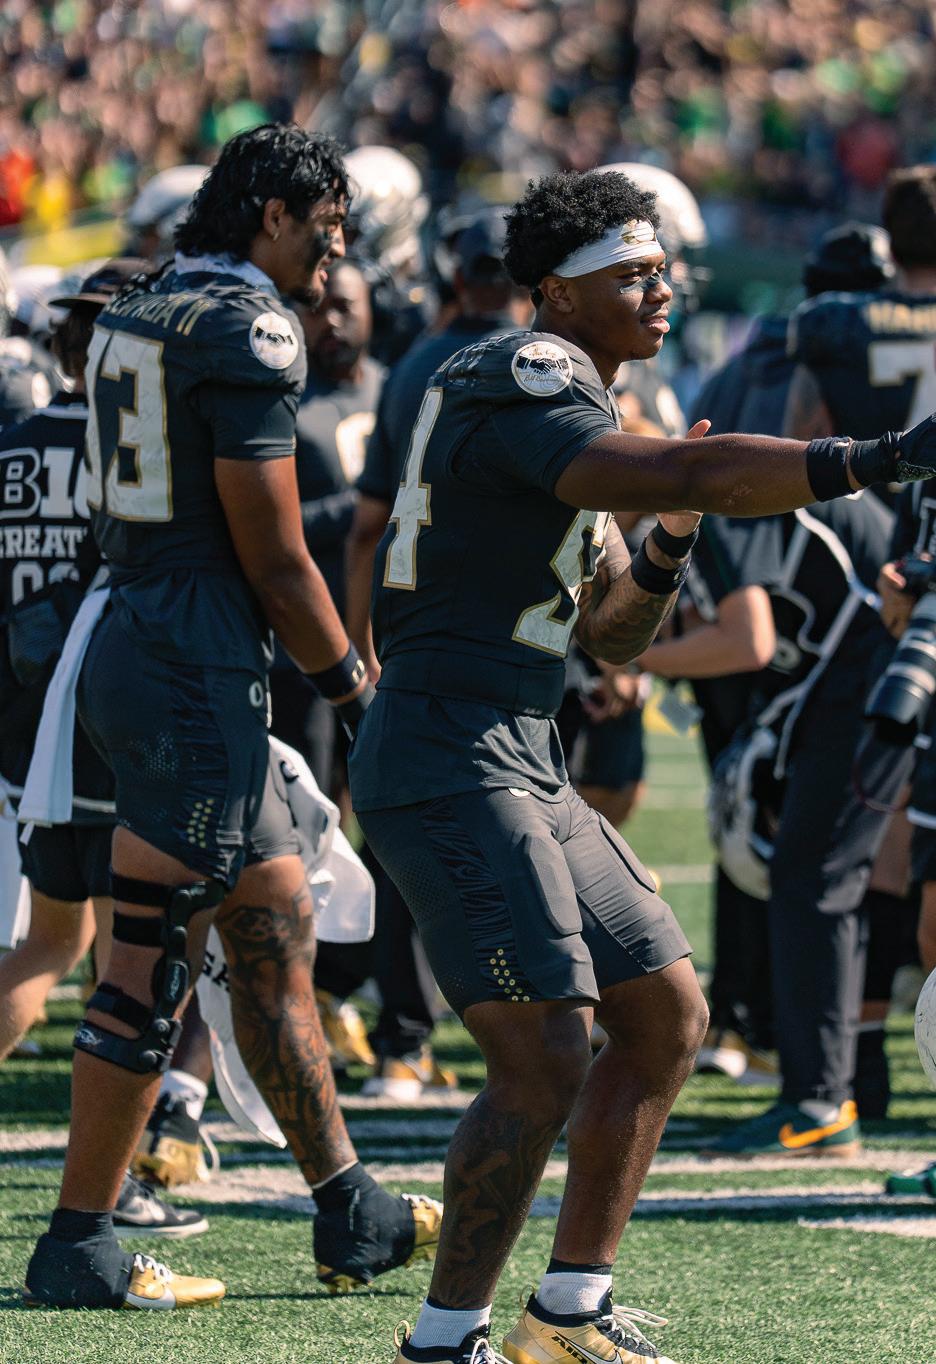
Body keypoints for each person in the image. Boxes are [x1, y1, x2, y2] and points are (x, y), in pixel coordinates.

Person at [346, 168, 936, 1364]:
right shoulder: (526, 370)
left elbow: (614, 630)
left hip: (519, 745)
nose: (663, 291)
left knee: (664, 1013)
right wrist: (884, 455)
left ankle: (568, 1311)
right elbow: (689, 469)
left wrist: (668, 540)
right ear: (560, 291)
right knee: (543, 1055)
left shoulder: (582, 397)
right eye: (636, 274)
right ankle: (442, 1341)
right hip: (448, 740)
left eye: (665, 271)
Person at [23, 124, 442, 1313]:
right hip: (190, 655)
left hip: (139, 628)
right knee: (147, 956)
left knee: (271, 925)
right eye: (328, 228)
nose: (337, 254)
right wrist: (354, 689)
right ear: (272, 213)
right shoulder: (248, 324)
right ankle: (80, 1240)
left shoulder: (140, 301)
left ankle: (347, 1201)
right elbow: (275, 553)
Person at [0, 257, 207, 1238]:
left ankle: (116, 1163)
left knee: (55, 943)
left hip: (26, 729)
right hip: (118, 721)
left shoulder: (11, 446)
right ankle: (115, 1175)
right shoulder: (133, 446)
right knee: (135, 953)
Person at [682, 220, 897, 1082]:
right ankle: (792, 1039)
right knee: (807, 843)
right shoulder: (824, 359)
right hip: (815, 624)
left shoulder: (753, 361)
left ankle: (763, 1028)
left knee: (773, 831)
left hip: (786, 619)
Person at [346, 207, 525, 1099]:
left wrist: (359, 644)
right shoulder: (536, 363)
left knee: (410, 836)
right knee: (512, 835)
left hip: (419, 631)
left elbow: (369, 523)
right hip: (505, 638)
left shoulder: (416, 364)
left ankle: (407, 1038)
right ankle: (512, 1042)